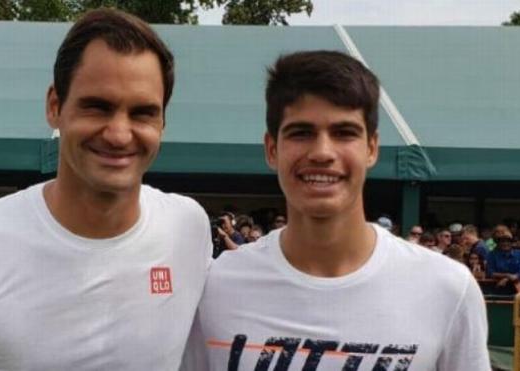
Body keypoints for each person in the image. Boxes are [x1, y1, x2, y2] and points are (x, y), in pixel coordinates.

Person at [0, 9, 212, 371]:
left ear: (163, 123)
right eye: (97, 107)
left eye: (142, 113)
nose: (119, 134)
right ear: (54, 106)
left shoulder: (188, 227)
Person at [183, 51, 489, 370]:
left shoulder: (446, 288)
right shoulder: (216, 286)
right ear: (272, 149)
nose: (322, 152)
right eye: (301, 133)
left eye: (344, 133)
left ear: (371, 148)